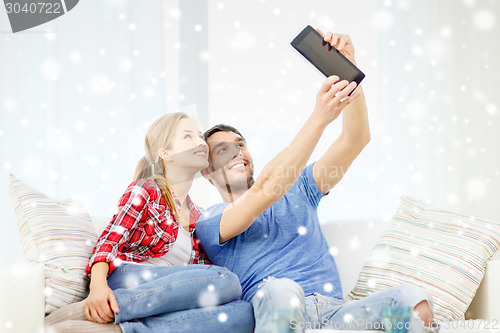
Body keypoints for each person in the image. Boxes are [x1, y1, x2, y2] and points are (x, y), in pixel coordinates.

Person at [196, 31, 434, 333]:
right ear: (206, 171)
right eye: (222, 150)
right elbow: (268, 188)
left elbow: (355, 139)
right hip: (282, 313)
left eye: (240, 144)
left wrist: (350, 76)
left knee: (414, 300)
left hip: (338, 315)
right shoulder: (210, 221)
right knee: (279, 289)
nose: (236, 152)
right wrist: (319, 117)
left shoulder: (300, 188)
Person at [45, 113, 254, 333]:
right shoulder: (146, 189)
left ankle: (120, 330)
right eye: (188, 136)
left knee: (243, 312)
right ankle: (100, 307)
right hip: (128, 277)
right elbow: (109, 240)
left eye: (200, 137)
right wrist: (98, 287)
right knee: (224, 279)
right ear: (166, 154)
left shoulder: (199, 217)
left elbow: (196, 281)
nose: (200, 142)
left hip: (160, 294)